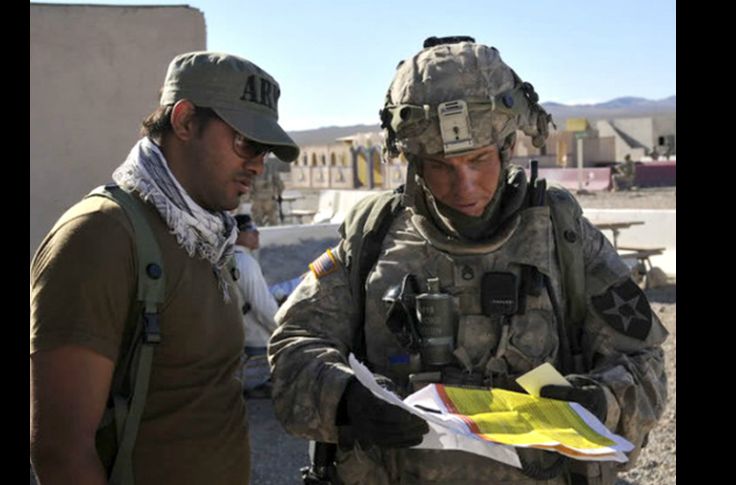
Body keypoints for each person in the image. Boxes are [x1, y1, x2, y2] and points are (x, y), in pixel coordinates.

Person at [268, 37, 667, 484]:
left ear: (507, 147)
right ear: (413, 162)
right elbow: (292, 345)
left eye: (479, 160)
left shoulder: (562, 234)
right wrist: (344, 401)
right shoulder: (372, 236)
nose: (466, 186)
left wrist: (602, 402)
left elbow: (646, 364)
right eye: (441, 166)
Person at [30, 51, 299, 485]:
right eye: (246, 143)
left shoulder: (209, 237)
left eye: (265, 150)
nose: (257, 164)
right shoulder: (100, 236)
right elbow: (61, 452)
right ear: (186, 121)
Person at [233, 214, 279, 398]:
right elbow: (263, 308)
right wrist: (283, 332)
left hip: (239, 335)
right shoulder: (245, 262)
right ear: (236, 235)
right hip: (255, 341)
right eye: (250, 229)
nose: (256, 233)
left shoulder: (229, 258)